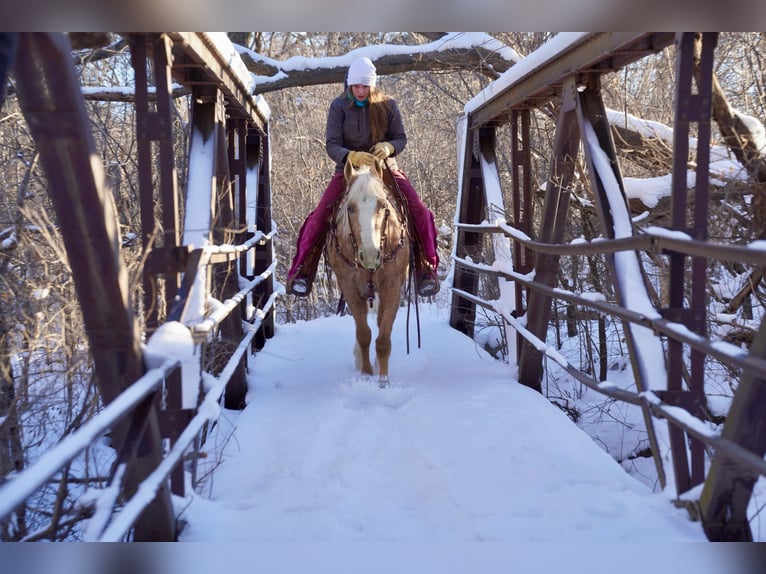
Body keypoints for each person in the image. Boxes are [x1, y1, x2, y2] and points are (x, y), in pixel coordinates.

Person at [286, 56, 440, 298]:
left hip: (386, 169)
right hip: (348, 171)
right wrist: (351, 156)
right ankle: (302, 272)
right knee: (320, 215)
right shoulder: (338, 107)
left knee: (419, 210)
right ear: (349, 85)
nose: (360, 91)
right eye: (356, 86)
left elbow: (400, 138)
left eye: (364, 86)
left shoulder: (388, 105)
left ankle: (427, 269)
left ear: (372, 85)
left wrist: (389, 147)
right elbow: (332, 144)